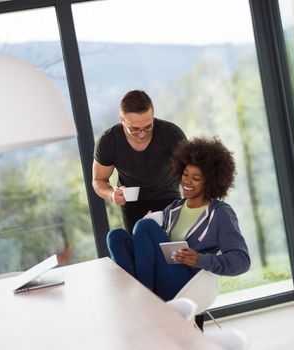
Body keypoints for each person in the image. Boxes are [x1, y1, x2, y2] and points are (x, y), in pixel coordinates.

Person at [106, 136, 251, 305]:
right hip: (161, 275)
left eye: (196, 178)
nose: (187, 181)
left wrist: (200, 259)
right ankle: (139, 294)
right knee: (116, 236)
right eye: (185, 174)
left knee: (144, 226)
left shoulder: (220, 213)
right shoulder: (174, 208)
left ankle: (142, 301)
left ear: (211, 181)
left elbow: (242, 261)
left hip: (187, 284)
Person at [93, 90, 187, 233]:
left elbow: (190, 170)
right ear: (122, 120)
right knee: (140, 251)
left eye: (148, 127)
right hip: (132, 206)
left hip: (169, 199)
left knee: (173, 252)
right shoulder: (109, 141)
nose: (142, 134)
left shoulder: (171, 134)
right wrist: (112, 195)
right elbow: (99, 180)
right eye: (135, 129)